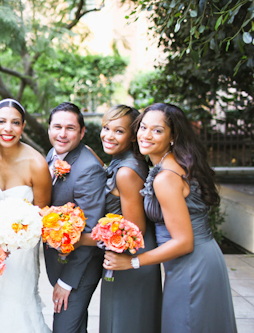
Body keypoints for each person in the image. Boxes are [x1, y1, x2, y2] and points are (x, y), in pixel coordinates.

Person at [105, 103, 237, 333]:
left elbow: (184, 242)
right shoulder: (169, 165)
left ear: (173, 136)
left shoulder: (165, 177)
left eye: (157, 130)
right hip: (197, 261)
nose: (146, 135)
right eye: (143, 127)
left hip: (193, 265)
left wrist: (133, 262)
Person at [0, 98, 52, 333]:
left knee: (16, 310)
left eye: (15, 123)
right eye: (2, 122)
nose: (8, 129)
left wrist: (12, 241)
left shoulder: (36, 164)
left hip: (20, 248)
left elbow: (42, 215)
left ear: (23, 126)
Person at [97, 105, 162, 333]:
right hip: (125, 256)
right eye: (106, 128)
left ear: (133, 136)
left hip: (129, 258)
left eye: (119, 131)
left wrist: (85, 238)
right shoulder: (123, 162)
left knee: (125, 322)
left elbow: (135, 231)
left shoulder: (126, 172)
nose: (108, 135)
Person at [44, 102, 106, 333]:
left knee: (64, 328)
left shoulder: (88, 169)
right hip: (62, 260)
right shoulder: (53, 154)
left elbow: (90, 230)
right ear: (49, 128)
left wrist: (66, 282)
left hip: (80, 267)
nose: (62, 134)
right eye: (57, 126)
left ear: (81, 132)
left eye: (70, 128)